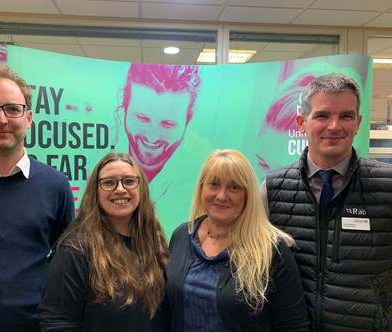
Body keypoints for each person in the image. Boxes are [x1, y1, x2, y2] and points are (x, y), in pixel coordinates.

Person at [0, 60, 75, 330]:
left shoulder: (56, 185)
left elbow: (66, 263)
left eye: (13, 109)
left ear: (28, 118)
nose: (1, 119)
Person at [261, 73, 392, 331]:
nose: (334, 126)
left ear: (358, 123)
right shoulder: (272, 189)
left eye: (346, 116)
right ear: (302, 123)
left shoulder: (387, 186)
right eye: (322, 116)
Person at [166, 149, 308, 331]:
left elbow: (293, 325)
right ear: (201, 188)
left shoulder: (271, 249)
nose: (222, 196)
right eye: (214, 184)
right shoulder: (182, 235)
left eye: (234, 187)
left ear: (248, 195)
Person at [38, 152, 170, 331]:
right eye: (109, 182)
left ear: (141, 188)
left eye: (129, 181)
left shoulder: (156, 244)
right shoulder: (75, 251)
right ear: (95, 191)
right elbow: (58, 323)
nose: (120, 189)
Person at [113, 62, 213, 236]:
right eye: (142, 118)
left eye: (167, 124)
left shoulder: (207, 167)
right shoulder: (97, 148)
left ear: (187, 121)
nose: (152, 137)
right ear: (125, 107)